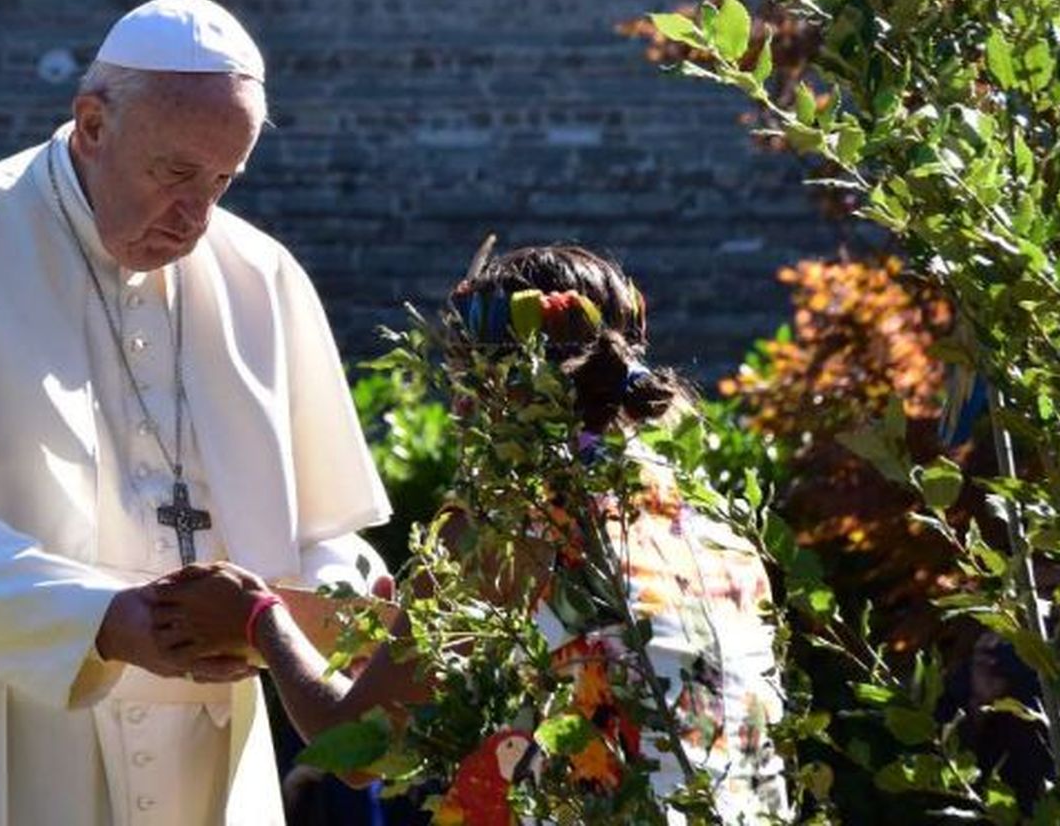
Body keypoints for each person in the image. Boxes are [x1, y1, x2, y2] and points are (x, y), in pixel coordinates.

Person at [0, 0, 392, 825]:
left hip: (202, 754)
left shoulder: (264, 278)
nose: (197, 218)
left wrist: (329, 596)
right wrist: (103, 621)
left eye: (222, 181)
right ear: (93, 123)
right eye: (175, 174)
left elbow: (325, 531)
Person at [151, 245, 792, 823]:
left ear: (492, 389)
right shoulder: (716, 526)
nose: (456, 410)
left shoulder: (508, 521)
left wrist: (260, 619)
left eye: (461, 380)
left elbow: (360, 746)